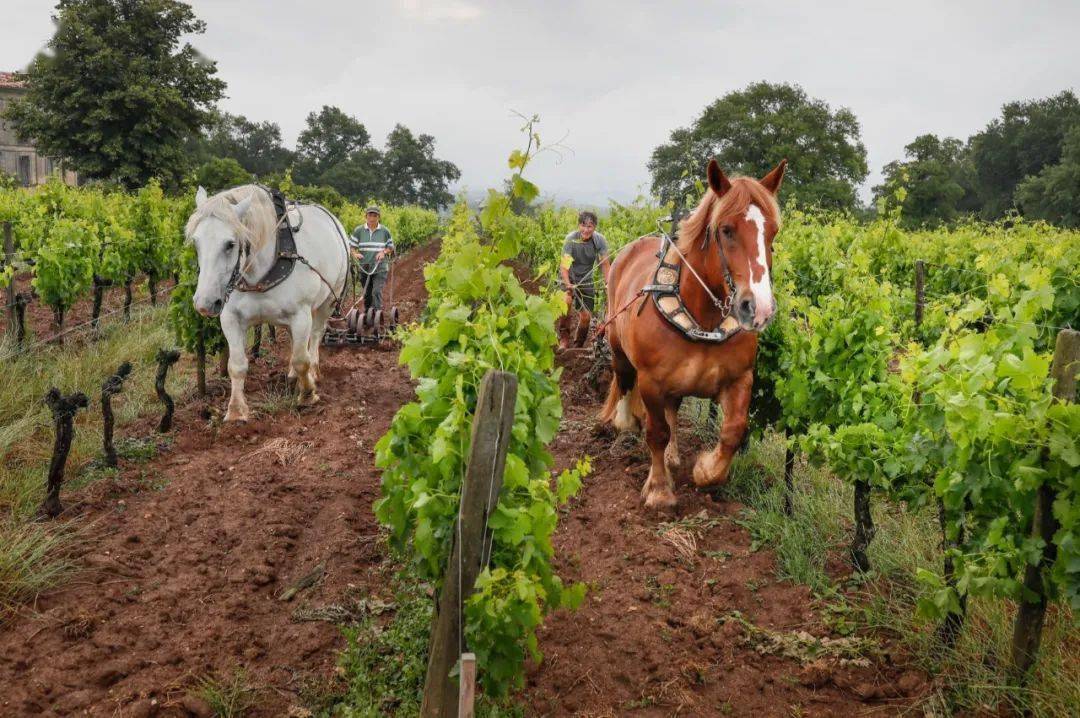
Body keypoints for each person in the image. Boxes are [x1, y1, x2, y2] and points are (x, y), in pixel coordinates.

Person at [559, 210, 611, 348]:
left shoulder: (599, 240)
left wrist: (608, 284)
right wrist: (568, 284)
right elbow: (564, 266)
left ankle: (578, 345)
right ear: (578, 225)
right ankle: (563, 339)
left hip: (586, 279)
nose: (586, 230)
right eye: (583, 225)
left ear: (594, 228)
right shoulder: (571, 239)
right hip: (569, 276)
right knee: (566, 302)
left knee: (586, 316)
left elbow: (605, 264)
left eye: (590, 226)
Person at [349, 206, 394, 311]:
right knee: (367, 294)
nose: (372, 218)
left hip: (380, 267)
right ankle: (368, 312)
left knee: (376, 292)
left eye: (375, 216)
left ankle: (377, 314)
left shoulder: (385, 231)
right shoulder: (358, 230)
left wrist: (383, 252)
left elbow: (391, 247)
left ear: (379, 217)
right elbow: (351, 247)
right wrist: (355, 254)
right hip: (364, 267)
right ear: (366, 216)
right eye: (370, 215)